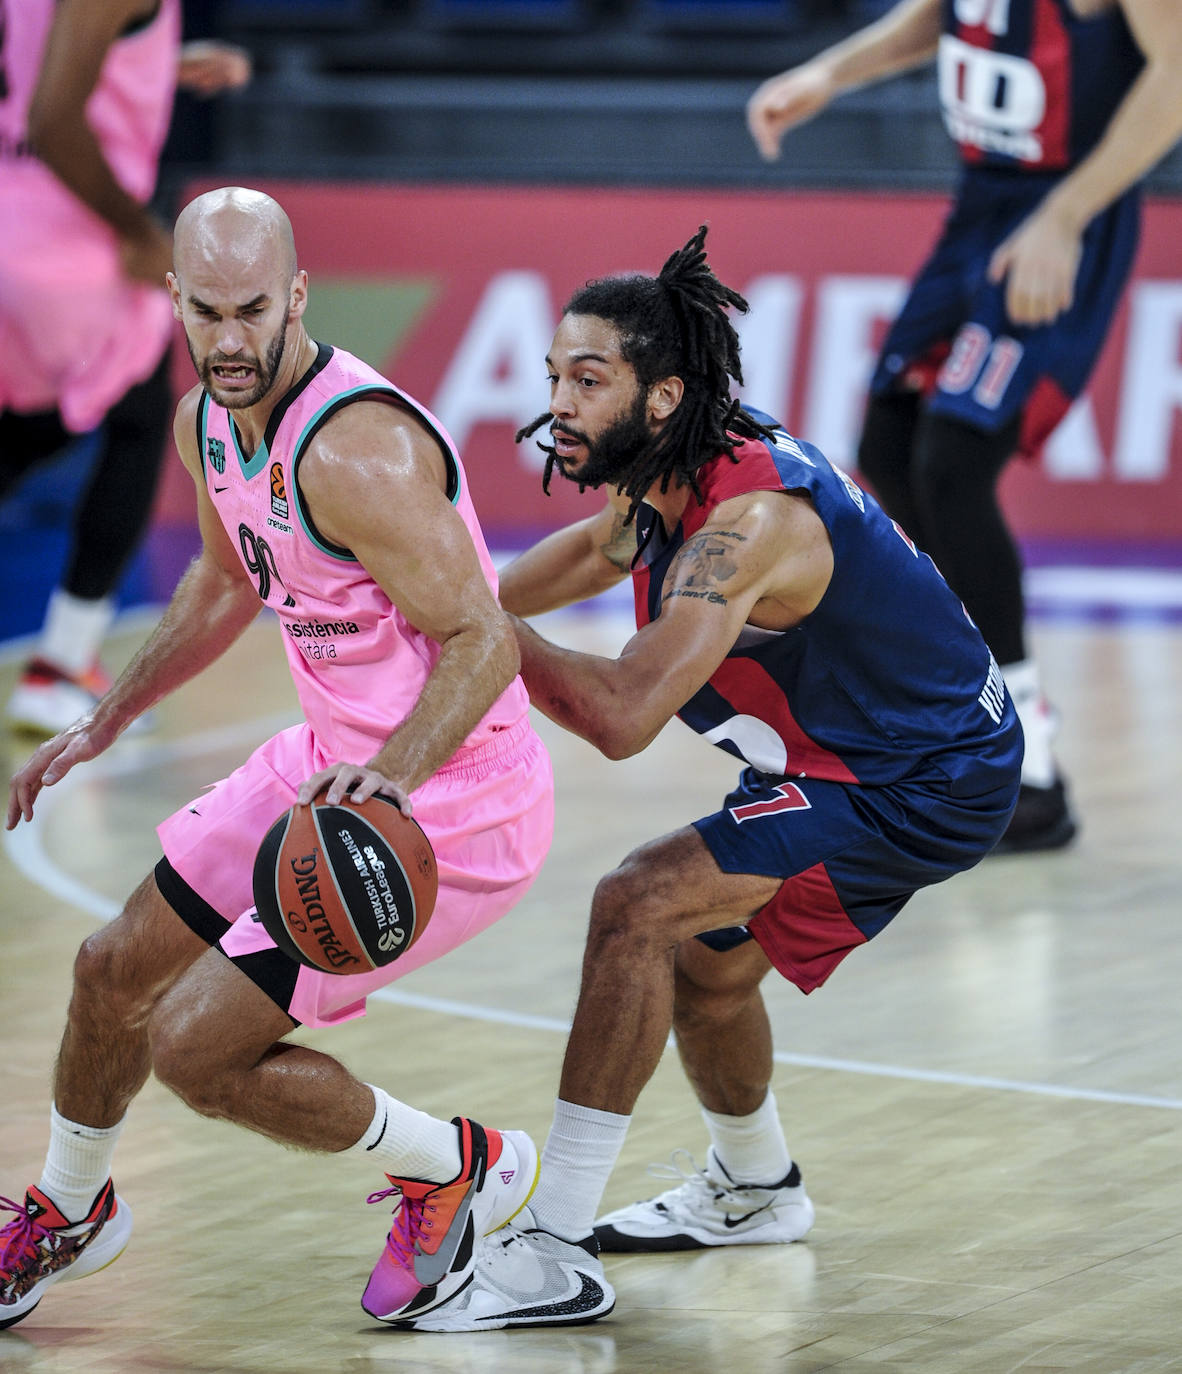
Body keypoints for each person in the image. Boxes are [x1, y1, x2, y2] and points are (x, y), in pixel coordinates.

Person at [391, 225, 1022, 1328]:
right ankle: (757, 1188)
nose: (561, 402)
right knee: (704, 971)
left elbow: (630, 713)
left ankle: (553, 1247)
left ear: (666, 392)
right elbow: (595, 554)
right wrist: (450, 602)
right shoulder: (670, 463)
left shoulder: (749, 525)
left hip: (919, 775)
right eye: (554, 376)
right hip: (862, 750)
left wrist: (471, 630)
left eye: (589, 379)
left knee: (638, 902)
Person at [0, 187, 589, 1335]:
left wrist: (394, 781)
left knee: (194, 1047)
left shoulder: (355, 452)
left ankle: (456, 1165)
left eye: (254, 311)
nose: (229, 340)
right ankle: (69, 1211)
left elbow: (483, 639)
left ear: (298, 296)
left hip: (454, 796)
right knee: (109, 969)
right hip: (327, 762)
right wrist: (106, 713)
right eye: (206, 312)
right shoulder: (205, 422)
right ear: (173, 300)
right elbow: (226, 581)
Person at [746, 0, 1182, 854]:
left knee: (953, 464)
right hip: (979, 206)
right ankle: (956, 719)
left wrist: (1067, 216)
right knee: (889, 447)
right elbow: (936, 19)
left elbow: (1175, 77)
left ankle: (1033, 770)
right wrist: (826, 76)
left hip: (1064, 211)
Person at [0, 0, 251, 736]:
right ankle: (63, 666)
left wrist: (150, 66)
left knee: (34, 433)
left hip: (13, 226)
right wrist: (137, 231)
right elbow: (51, 122)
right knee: (142, 423)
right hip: (64, 242)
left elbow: (30, 74)